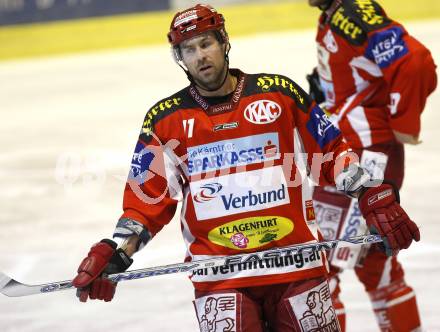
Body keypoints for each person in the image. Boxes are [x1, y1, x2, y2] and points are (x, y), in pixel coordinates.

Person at [72, 4, 420, 331]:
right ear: (180, 59)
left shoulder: (279, 94)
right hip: (221, 279)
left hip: (297, 268)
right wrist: (115, 252)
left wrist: (371, 193)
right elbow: (147, 201)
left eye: (206, 43)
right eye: (188, 50)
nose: (200, 56)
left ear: (224, 42)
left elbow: (331, 151)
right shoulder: (164, 121)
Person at [306, 0, 437, 331]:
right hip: (374, 155)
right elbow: (369, 68)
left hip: (355, 155)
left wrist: (403, 121)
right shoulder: (339, 12)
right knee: (380, 267)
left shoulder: (350, 12)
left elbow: (415, 61)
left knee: (322, 273)